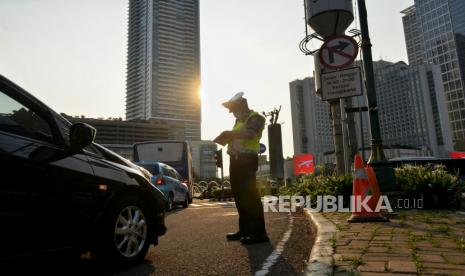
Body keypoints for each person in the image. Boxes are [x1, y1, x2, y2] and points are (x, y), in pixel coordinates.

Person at [213, 92, 269, 244]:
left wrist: (230, 134)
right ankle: (244, 230)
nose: (233, 113)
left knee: (250, 196)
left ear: (242, 106)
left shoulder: (256, 118)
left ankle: (259, 233)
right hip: (235, 160)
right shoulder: (238, 121)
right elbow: (237, 136)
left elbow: (250, 134)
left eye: (234, 110)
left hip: (248, 160)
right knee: (239, 196)